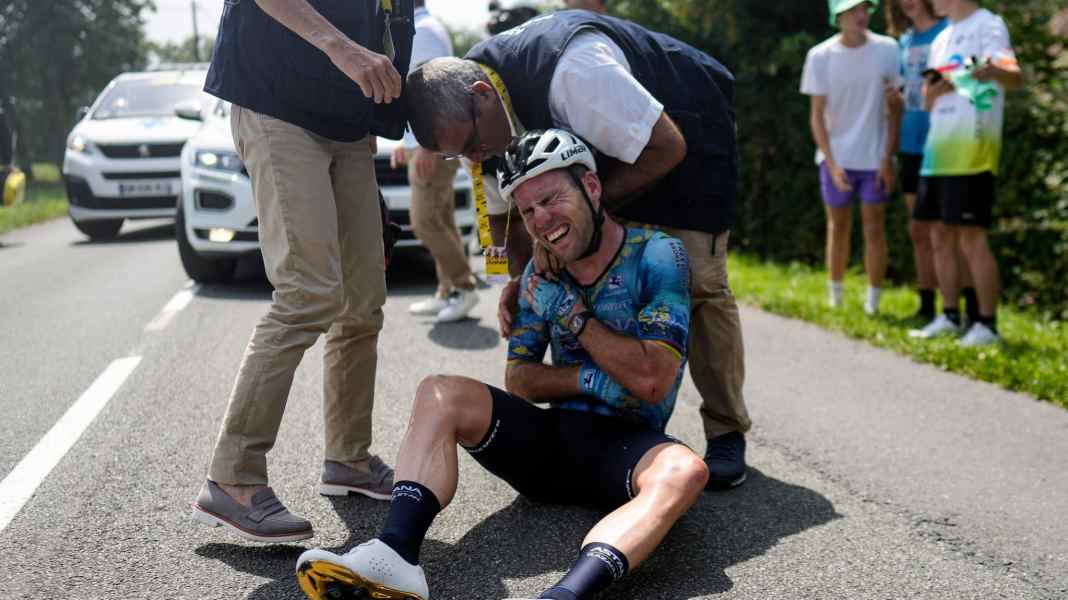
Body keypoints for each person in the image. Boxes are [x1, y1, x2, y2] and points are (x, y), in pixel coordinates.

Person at [294, 129, 708, 600]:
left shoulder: (659, 255)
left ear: (592, 188)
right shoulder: (540, 272)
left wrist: (571, 314)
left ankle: (567, 595)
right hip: (552, 446)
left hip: (630, 452)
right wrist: (589, 378)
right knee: (440, 390)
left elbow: (652, 381)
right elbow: (521, 380)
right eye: (528, 211)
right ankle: (395, 555)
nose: (541, 220)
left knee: (686, 472)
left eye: (551, 198)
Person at [404, 9, 751, 490]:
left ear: (484, 98)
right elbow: (501, 207)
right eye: (457, 155)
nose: (473, 159)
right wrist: (517, 282)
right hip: (595, 168)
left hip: (681, 137)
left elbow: (666, 147)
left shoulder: (574, 73)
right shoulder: (475, 117)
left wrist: (585, 213)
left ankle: (727, 429)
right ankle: (617, 415)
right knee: (580, 265)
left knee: (700, 282)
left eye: (471, 145)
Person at [189, 0, 414, 543]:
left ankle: (348, 460)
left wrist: (373, 122)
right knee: (308, 293)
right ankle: (233, 478)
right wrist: (341, 47)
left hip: (347, 122)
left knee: (363, 302)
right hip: (276, 103)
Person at [909, 0, 1023, 346]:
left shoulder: (988, 25)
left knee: (970, 236)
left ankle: (987, 325)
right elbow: (928, 99)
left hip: (974, 150)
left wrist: (988, 71)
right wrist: (939, 89)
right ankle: (950, 315)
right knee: (938, 235)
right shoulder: (942, 38)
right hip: (937, 151)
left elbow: (1013, 76)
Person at [801, 0, 903, 315]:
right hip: (836, 159)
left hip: (876, 158)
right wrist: (831, 164)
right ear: (838, 16)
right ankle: (836, 297)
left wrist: (888, 157)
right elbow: (817, 116)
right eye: (854, 9)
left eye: (866, 9)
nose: (862, 15)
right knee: (838, 226)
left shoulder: (888, 49)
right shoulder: (820, 56)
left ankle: (873, 302)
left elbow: (896, 110)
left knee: (874, 227)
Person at [392, 0, 479, 323]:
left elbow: (434, 95)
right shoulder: (423, 28)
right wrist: (408, 140)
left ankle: (463, 287)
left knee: (425, 221)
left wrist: (427, 147)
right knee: (442, 219)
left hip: (434, 145)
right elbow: (415, 95)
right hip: (427, 142)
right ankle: (448, 292)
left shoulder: (423, 31)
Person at [886, 0, 958, 323]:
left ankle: (960, 308)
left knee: (948, 230)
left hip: (943, 142)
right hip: (910, 145)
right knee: (918, 229)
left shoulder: (949, 32)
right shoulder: (902, 43)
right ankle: (927, 304)